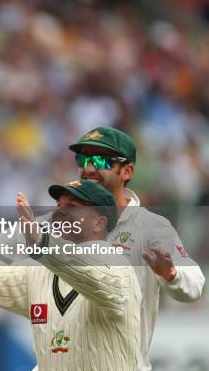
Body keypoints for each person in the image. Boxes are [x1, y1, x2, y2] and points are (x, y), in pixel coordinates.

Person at [0, 180, 141, 370]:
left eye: (72, 206)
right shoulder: (39, 273)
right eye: (59, 205)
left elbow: (93, 274)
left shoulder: (119, 268)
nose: (59, 212)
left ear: (98, 223)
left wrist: (41, 242)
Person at [68, 126, 205, 370]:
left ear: (127, 171)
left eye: (100, 160)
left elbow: (194, 284)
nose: (89, 168)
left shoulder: (151, 228)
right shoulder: (62, 222)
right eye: (83, 159)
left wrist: (171, 275)